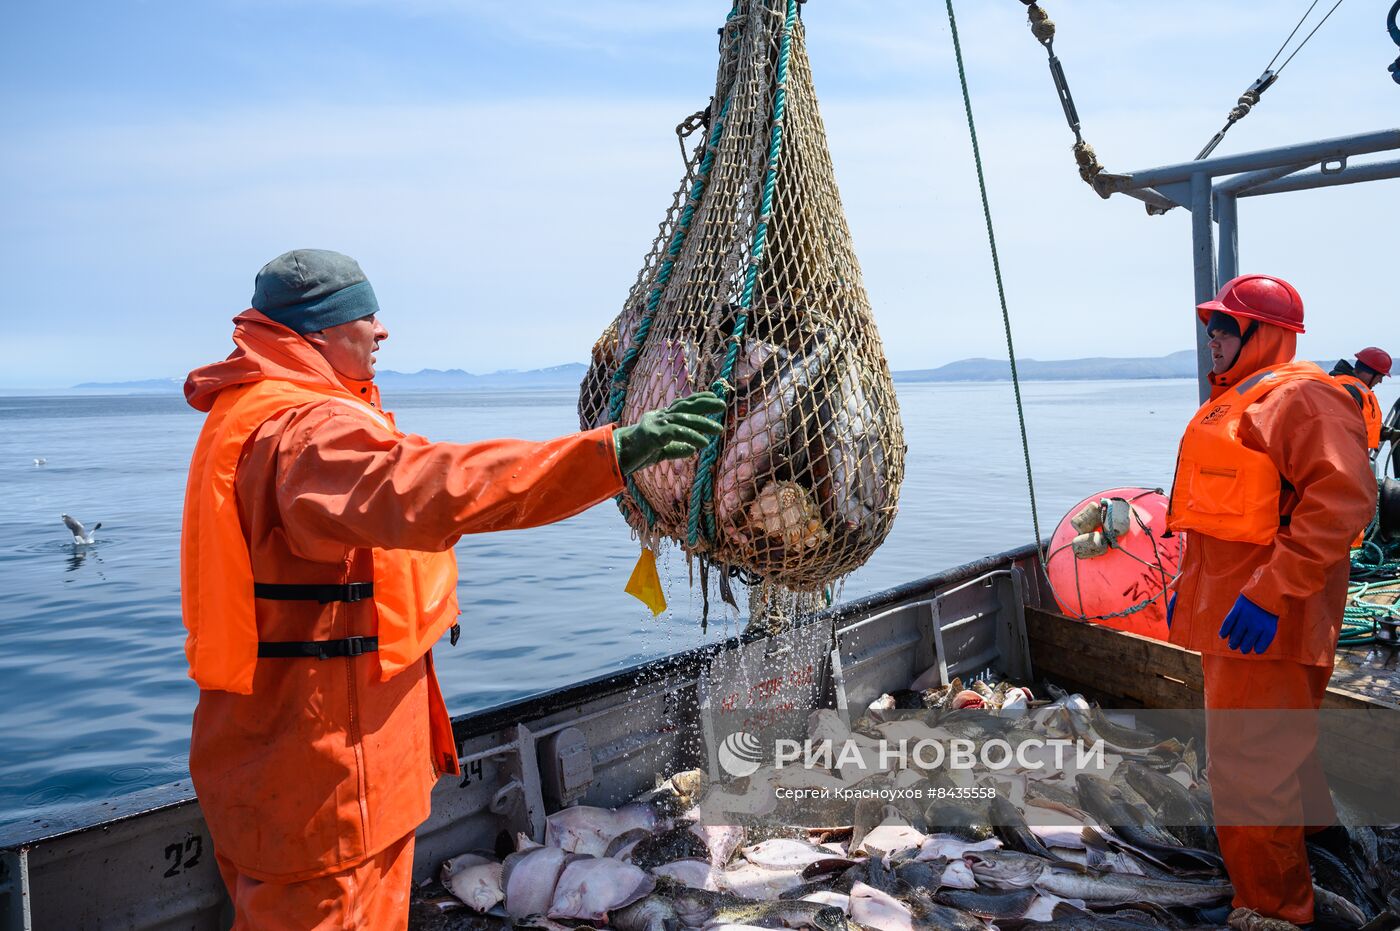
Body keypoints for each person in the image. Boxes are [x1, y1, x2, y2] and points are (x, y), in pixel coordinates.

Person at [180, 249, 725, 929]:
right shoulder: (309, 436)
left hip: (281, 759)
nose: (382, 332)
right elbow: (443, 486)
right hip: (325, 784)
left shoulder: (259, 412)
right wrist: (608, 454)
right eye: (364, 316)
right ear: (317, 333)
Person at [1164, 273, 1377, 925]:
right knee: (1279, 755)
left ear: (1267, 333)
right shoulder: (1240, 402)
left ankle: (1274, 911)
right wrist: (1184, 591)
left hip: (1269, 625)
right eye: (1211, 326)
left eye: (1227, 325)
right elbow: (1225, 523)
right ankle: (1325, 853)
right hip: (1234, 623)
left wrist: (1270, 593)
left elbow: (1342, 502)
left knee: (1248, 777)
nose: (1214, 337)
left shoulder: (1299, 397)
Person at [1330, 346, 1393, 451]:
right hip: (1345, 456)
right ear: (1369, 374)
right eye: (1380, 377)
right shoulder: (1348, 391)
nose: (1380, 381)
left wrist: (1382, 432)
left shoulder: (1351, 388)